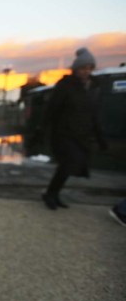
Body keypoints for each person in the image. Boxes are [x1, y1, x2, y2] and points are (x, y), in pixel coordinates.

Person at [41, 47, 108, 210]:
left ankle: (52, 193)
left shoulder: (94, 88)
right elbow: (52, 109)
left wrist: (100, 138)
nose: (86, 71)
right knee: (71, 161)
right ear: (76, 69)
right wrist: (42, 130)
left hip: (82, 134)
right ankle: (51, 193)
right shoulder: (65, 86)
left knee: (69, 164)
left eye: (89, 68)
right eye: (83, 68)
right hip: (64, 133)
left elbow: (95, 114)